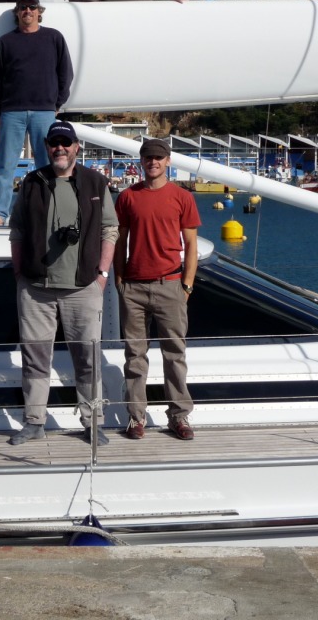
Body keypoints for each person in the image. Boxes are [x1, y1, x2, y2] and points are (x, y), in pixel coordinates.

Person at [8, 120, 118, 447]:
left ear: (76, 147)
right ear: (47, 147)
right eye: (54, 143)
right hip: (35, 289)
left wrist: (102, 274)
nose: (60, 148)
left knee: (88, 357)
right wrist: (19, 273)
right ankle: (33, 422)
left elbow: (109, 229)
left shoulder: (96, 183)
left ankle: (92, 423)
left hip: (84, 286)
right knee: (35, 357)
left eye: (65, 143)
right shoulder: (32, 182)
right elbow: (17, 231)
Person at [113, 138, 199, 441]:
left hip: (171, 286)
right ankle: (136, 419)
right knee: (135, 356)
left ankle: (179, 417)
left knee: (174, 354)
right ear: (141, 161)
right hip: (134, 288)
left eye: (159, 157)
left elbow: (190, 245)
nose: (154, 162)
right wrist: (120, 280)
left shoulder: (182, 197)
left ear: (168, 161)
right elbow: (119, 241)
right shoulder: (127, 197)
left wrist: (187, 285)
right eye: (148, 157)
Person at [0, 0, 74, 226]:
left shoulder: (54, 38)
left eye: (32, 7)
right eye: (23, 7)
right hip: (11, 112)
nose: (28, 11)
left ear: (39, 11)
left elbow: (66, 73)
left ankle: (50, 212)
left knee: (48, 164)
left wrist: (57, 103)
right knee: (6, 164)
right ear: (17, 12)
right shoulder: (5, 42)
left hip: (44, 111)